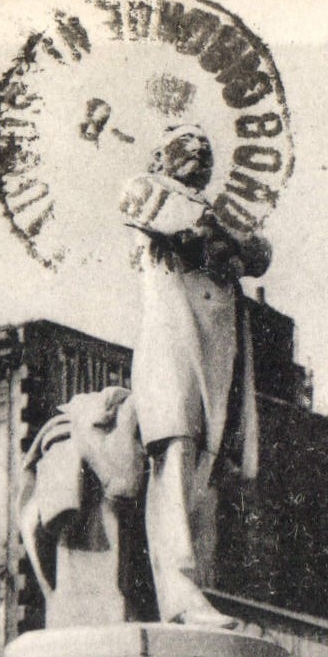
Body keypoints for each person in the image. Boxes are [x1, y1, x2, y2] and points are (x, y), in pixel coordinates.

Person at [122, 124, 270, 628]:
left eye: (205, 144)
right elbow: (180, 224)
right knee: (178, 453)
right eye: (185, 141)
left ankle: (197, 590)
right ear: (161, 155)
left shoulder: (211, 215)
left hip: (214, 357)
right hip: (172, 347)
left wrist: (226, 236)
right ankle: (179, 593)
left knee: (205, 469)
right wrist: (223, 234)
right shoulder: (145, 190)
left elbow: (259, 254)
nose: (199, 149)